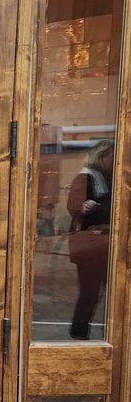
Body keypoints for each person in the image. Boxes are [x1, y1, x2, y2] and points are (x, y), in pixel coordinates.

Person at [67, 139, 114, 340]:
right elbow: (75, 205)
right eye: (113, 156)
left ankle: (85, 333)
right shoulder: (87, 177)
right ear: (103, 156)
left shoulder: (111, 177)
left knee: (103, 292)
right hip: (92, 245)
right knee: (91, 292)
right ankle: (79, 333)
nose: (116, 160)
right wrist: (83, 206)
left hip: (104, 243)